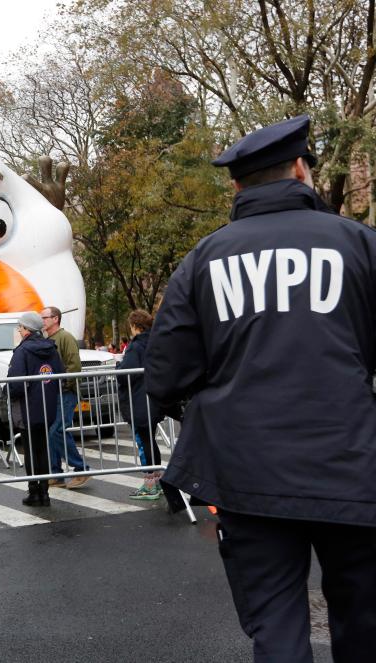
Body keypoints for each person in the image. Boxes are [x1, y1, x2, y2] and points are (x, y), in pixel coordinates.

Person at [145, 115, 376, 662]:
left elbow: (166, 373)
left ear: (236, 186)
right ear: (301, 170)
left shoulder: (204, 259)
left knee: (275, 622)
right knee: (364, 617)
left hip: (246, 474)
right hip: (352, 466)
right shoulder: (359, 245)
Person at [7, 311, 64, 507]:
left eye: (20, 327)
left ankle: (35, 492)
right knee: (42, 449)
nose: (19, 330)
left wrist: (8, 393)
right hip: (47, 407)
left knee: (31, 451)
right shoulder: (51, 348)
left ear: (26, 330)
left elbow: (15, 383)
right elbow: (60, 373)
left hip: (27, 408)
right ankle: (45, 492)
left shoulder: (22, 351)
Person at [40, 306, 90, 489]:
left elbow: (74, 365)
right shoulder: (48, 339)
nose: (42, 321)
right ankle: (56, 474)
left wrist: (64, 384)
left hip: (66, 393)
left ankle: (82, 468)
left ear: (55, 319)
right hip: (54, 393)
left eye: (44, 317)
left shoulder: (65, 337)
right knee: (51, 432)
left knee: (57, 430)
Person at [117, 310, 162, 500]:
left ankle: (150, 484)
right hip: (153, 396)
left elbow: (127, 372)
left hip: (139, 398)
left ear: (135, 326)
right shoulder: (155, 341)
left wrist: (118, 368)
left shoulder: (136, 347)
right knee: (149, 439)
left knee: (145, 440)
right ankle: (156, 482)